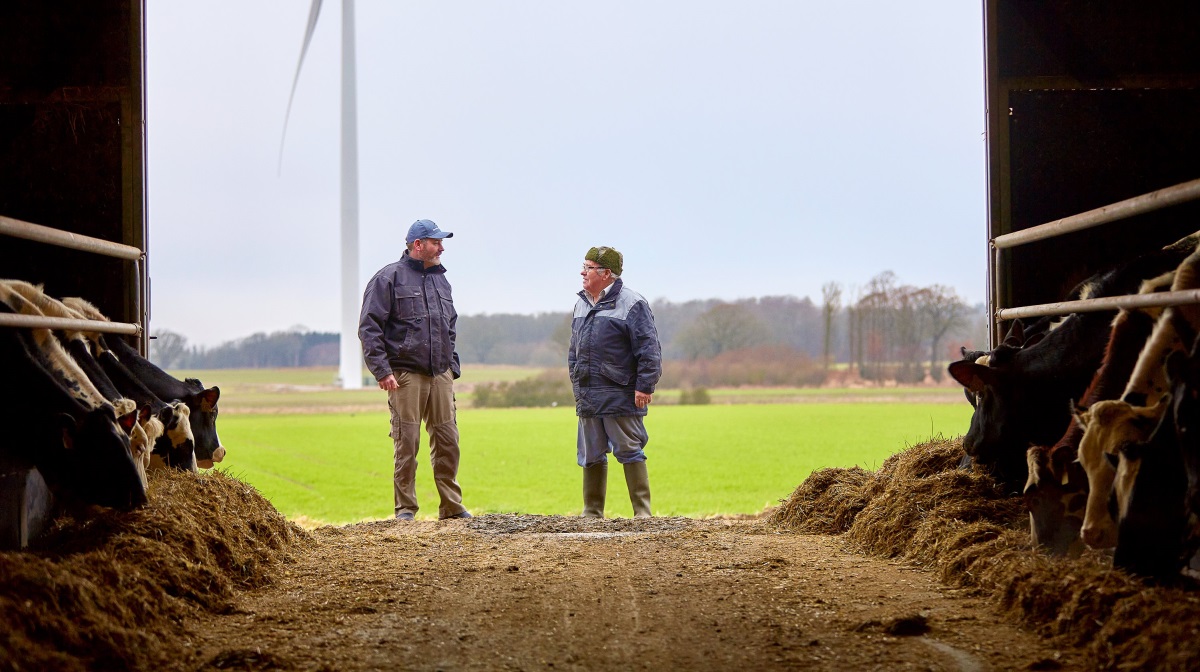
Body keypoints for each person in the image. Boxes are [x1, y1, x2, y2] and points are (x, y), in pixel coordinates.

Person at [359, 219, 471, 521]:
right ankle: (405, 509)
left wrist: (452, 367)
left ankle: (451, 506)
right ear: (418, 244)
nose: (442, 247)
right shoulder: (387, 279)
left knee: (448, 441)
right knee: (407, 443)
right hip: (405, 376)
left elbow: (450, 327)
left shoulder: (441, 281)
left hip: (441, 374)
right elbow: (369, 329)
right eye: (436, 242)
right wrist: (382, 370)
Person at [568, 246, 662, 518]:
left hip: (620, 394)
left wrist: (645, 385)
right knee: (591, 453)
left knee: (629, 450)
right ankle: (592, 512)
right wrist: (575, 377)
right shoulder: (581, 303)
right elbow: (573, 348)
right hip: (587, 394)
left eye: (589, 267)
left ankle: (642, 514)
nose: (582, 272)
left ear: (606, 273)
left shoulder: (633, 303)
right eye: (583, 266)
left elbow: (649, 349)